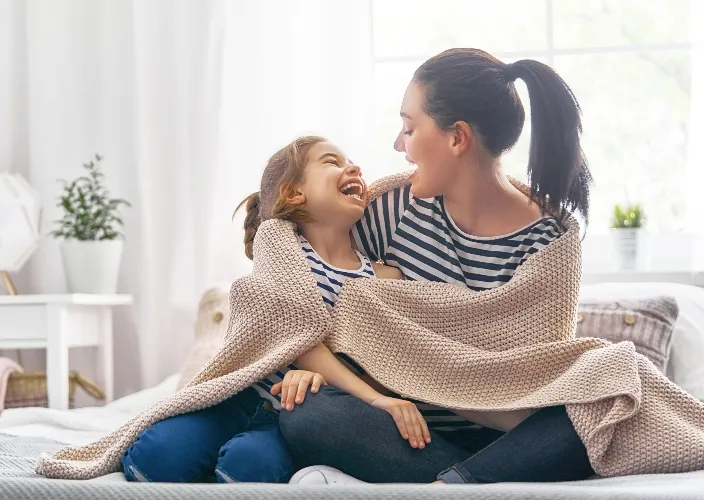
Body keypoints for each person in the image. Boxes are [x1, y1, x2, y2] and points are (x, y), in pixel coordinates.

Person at [279, 48, 596, 485]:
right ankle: (464, 485)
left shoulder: (551, 244)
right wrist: (309, 363)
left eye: (409, 128)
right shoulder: (392, 210)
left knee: (599, 407)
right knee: (309, 415)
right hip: (407, 435)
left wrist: (430, 371)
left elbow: (533, 384)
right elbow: (308, 281)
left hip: (509, 441)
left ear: (457, 138)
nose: (398, 144)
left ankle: (450, 486)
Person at [121, 136, 437, 483]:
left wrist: (333, 389)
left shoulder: (384, 277)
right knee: (155, 457)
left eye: (351, 161)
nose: (354, 168)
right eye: (332, 161)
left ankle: (222, 465)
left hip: (291, 417)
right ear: (293, 193)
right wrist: (376, 401)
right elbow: (296, 334)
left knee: (248, 466)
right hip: (239, 399)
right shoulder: (279, 245)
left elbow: (389, 360)